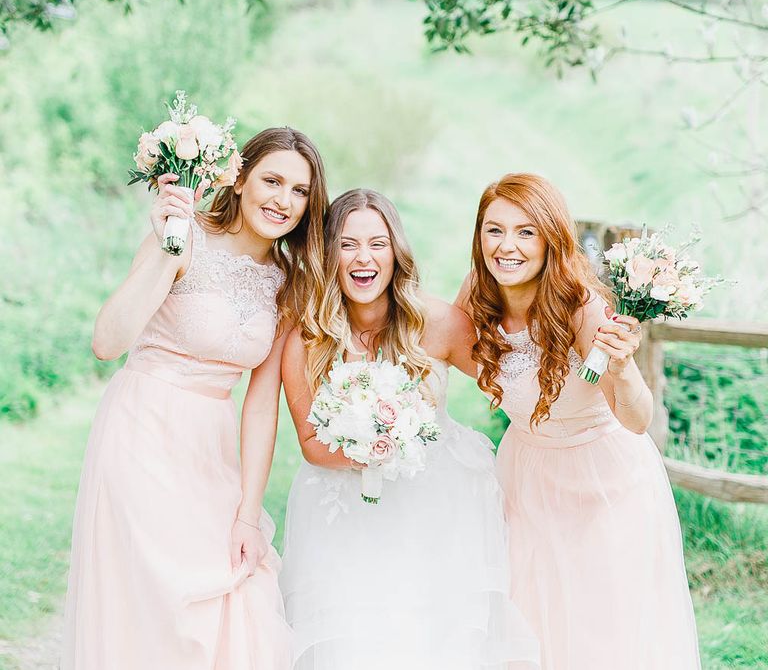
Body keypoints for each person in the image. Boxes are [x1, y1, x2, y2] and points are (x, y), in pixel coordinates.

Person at [62, 127, 328, 669]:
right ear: (239, 178)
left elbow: (260, 405)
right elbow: (107, 342)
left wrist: (248, 513)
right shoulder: (183, 238)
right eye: (272, 181)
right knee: (154, 601)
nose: (283, 201)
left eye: (299, 191)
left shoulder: (288, 282)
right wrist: (169, 246)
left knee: (238, 586)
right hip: (142, 429)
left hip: (212, 447)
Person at [279, 188, 540, 670]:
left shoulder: (436, 321)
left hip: (438, 508)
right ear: (328, 254)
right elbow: (312, 445)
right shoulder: (308, 339)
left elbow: (511, 382)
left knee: (434, 640)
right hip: (345, 512)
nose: (363, 258)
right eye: (348, 244)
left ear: (396, 253)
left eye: (377, 243)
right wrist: (370, 449)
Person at [458, 173, 701, 670]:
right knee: (530, 624)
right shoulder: (476, 297)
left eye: (526, 232)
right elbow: (449, 351)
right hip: (525, 474)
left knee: (600, 628)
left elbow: (636, 419)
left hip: (601, 479)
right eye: (494, 230)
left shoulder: (580, 305)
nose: (507, 246)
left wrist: (621, 367)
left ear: (552, 239)